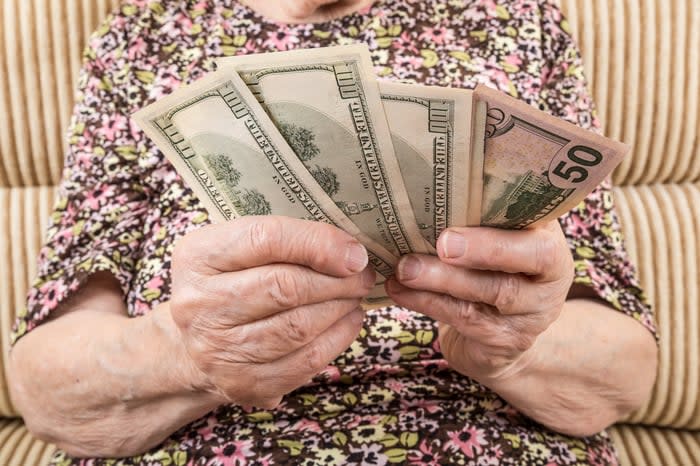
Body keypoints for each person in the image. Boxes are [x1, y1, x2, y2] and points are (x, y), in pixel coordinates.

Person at [8, 0, 658, 464]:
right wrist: (186, 354)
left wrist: (519, 346)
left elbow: (624, 374)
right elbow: (46, 389)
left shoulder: (516, 15)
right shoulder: (141, 37)